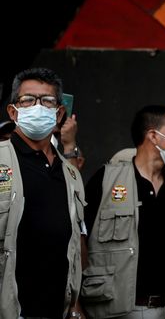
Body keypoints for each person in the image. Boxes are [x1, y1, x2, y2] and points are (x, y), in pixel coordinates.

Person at [82, 105, 165, 318]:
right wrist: (76, 305)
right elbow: (79, 239)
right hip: (113, 309)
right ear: (153, 136)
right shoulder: (106, 179)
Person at [0, 67, 85, 318]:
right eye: (27, 100)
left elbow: (75, 243)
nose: (37, 106)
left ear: (59, 113)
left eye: (47, 100)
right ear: (13, 111)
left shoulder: (70, 174)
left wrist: (75, 303)